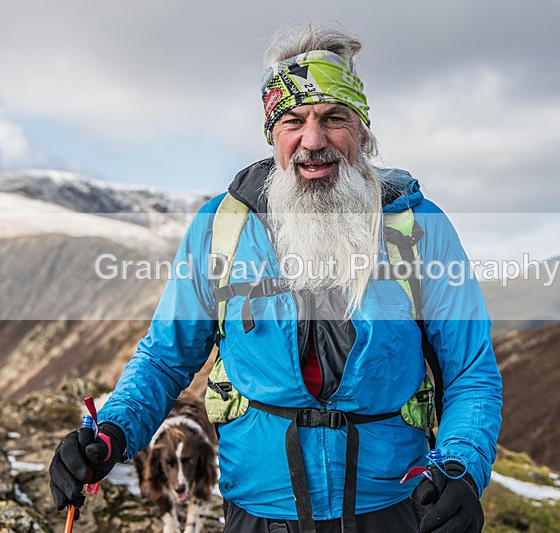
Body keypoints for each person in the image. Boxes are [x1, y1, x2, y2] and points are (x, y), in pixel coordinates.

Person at [49, 22, 502, 533]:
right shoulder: (220, 229)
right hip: (260, 513)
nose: (314, 141)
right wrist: (110, 432)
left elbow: (470, 373)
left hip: (394, 507)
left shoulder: (420, 229)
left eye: (334, 118)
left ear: (362, 130)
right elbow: (164, 358)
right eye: (293, 120)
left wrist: (462, 469)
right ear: (273, 134)